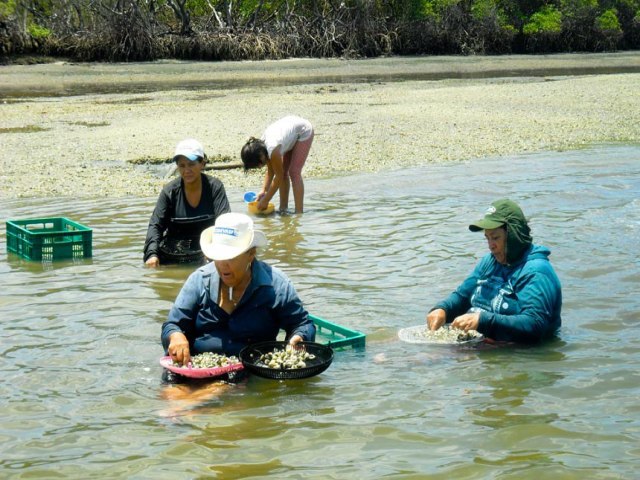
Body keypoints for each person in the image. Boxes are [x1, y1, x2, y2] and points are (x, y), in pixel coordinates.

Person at [161, 212, 316, 366]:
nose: (222, 265)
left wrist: (299, 337)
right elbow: (172, 325)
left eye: (231, 257)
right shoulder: (199, 281)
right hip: (196, 368)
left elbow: (303, 324)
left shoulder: (276, 285)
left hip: (251, 370)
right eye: (218, 256)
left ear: (251, 254)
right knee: (174, 391)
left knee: (214, 389)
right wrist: (176, 336)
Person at [426, 199, 562, 343]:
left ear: (513, 236)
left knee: (422, 360)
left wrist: (483, 321)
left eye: (496, 238)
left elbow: (534, 325)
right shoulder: (489, 262)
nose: (491, 246)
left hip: (514, 353)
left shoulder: (536, 272)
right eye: (487, 238)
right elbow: (462, 297)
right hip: (476, 343)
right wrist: (443, 309)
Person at [144, 138, 231, 267]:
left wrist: (216, 248)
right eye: (182, 165)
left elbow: (225, 221)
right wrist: (152, 254)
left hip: (206, 250)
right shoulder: (169, 192)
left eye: (191, 164)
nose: (186, 170)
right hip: (172, 252)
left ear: (202, 163)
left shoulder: (215, 188)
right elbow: (155, 225)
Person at [240, 115, 314, 214]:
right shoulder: (261, 148)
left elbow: (277, 177)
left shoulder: (272, 149)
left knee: (294, 172)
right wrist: (264, 191)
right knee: (283, 173)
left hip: (303, 131)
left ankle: (299, 213)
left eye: (257, 164)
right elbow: (270, 171)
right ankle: (283, 209)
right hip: (290, 133)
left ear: (260, 156)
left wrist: (266, 200)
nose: (259, 166)